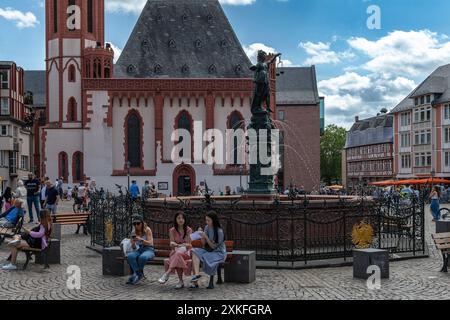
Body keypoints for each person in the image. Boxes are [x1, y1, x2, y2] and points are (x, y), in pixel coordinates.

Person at [190, 211, 226, 289]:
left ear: (213, 220)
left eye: (208, 220)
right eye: (206, 220)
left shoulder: (219, 231)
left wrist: (206, 237)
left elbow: (213, 247)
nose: (207, 222)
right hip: (208, 250)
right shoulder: (207, 227)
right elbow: (203, 244)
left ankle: (211, 282)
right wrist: (201, 235)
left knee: (210, 259)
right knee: (194, 251)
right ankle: (196, 275)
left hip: (218, 252)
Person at [159, 212, 193, 289]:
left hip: (186, 252)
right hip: (176, 252)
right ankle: (180, 281)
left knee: (177, 255)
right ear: (176, 220)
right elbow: (171, 244)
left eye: (182, 218)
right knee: (177, 255)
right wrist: (174, 244)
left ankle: (167, 273)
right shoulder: (172, 230)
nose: (181, 220)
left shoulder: (189, 230)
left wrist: (178, 245)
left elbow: (189, 245)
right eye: (179, 218)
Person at [126, 215, 154, 285]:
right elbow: (134, 248)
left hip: (148, 249)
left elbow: (150, 243)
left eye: (138, 223)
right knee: (130, 256)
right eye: (134, 224)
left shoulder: (147, 229)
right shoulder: (133, 232)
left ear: (142, 223)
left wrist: (141, 240)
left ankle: (136, 275)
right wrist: (133, 244)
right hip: (139, 250)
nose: (136, 225)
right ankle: (138, 274)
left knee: (143, 257)